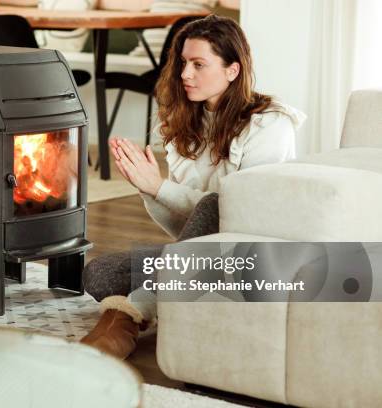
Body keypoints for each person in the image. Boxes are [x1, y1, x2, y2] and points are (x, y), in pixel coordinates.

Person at [80, 15, 306, 359]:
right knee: (98, 274)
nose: (185, 74)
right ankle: (172, 293)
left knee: (222, 201)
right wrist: (149, 188)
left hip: (255, 259)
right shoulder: (188, 125)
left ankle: (129, 315)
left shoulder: (271, 124)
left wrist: (161, 188)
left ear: (233, 70)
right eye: (184, 63)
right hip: (202, 256)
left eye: (199, 64)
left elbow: (235, 217)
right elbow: (187, 231)